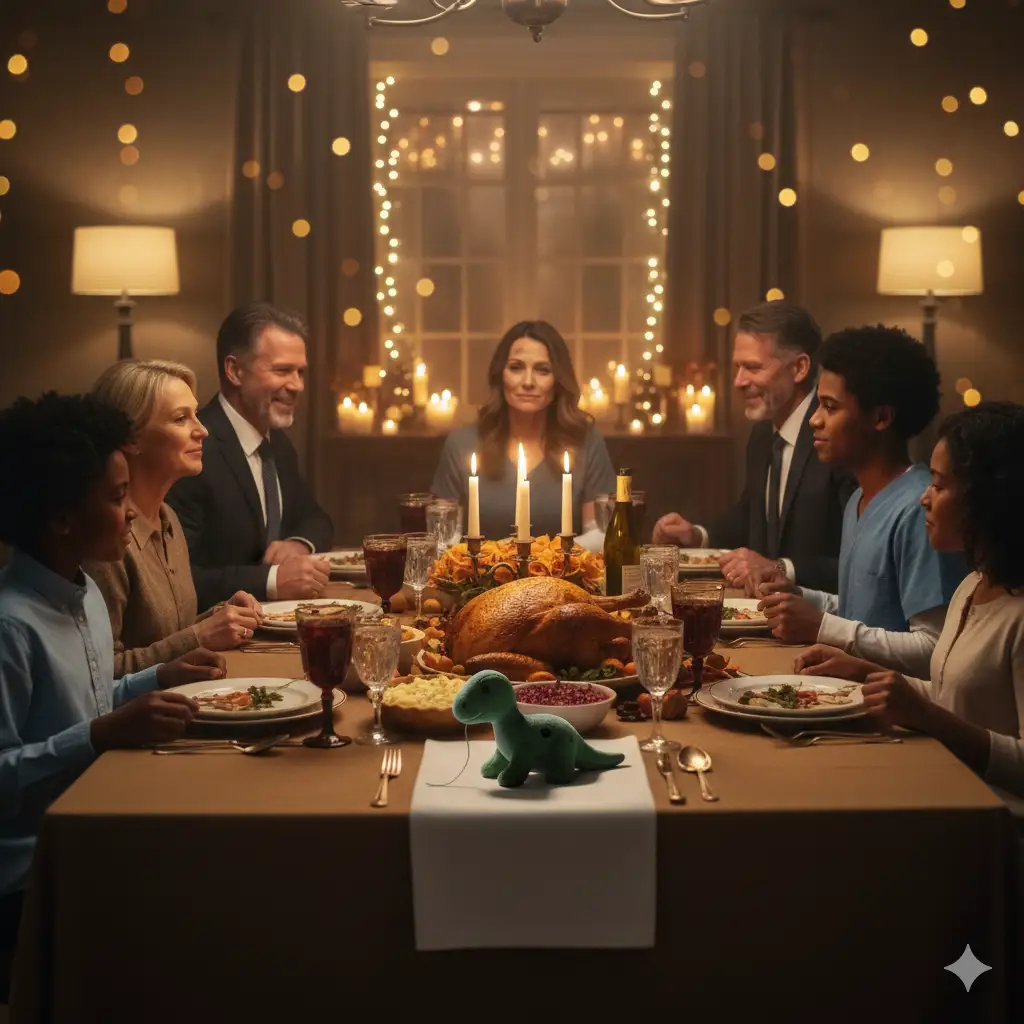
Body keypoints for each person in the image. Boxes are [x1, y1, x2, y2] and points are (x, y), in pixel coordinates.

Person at [0, 393, 225, 964]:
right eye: (118, 498)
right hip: (35, 872)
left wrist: (155, 677)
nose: (131, 513)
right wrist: (97, 736)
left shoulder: (84, 592)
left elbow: (88, 700)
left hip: (96, 823)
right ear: (62, 520)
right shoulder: (12, 627)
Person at [795, 402, 1024, 811]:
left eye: (939, 484)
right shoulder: (973, 584)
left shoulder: (1017, 614)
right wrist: (867, 671)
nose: (924, 498)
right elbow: (949, 693)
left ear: (988, 499)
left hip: (992, 829)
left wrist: (927, 718)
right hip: (941, 789)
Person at [757, 325, 968, 676]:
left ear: (881, 418)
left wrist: (822, 626)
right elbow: (868, 615)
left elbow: (934, 647)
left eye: (830, 407)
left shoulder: (919, 509)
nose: (814, 420)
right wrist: (801, 597)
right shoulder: (859, 498)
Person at [652, 302, 853, 592]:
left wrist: (780, 568)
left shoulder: (834, 436)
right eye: (737, 367)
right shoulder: (761, 435)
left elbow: (858, 561)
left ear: (799, 368)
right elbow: (749, 517)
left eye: (753, 367)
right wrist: (696, 536)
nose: (739, 381)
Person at [87, 360, 263, 676]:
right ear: (131, 438)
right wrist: (200, 636)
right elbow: (100, 676)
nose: (203, 430)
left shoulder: (168, 518)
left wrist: (221, 616)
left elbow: (165, 637)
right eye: (181, 419)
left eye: (195, 414)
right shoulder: (106, 539)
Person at [167, 303, 333, 610]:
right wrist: (271, 581)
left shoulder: (279, 445)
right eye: (283, 370)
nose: (297, 385)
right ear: (235, 371)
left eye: (300, 372)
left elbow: (316, 519)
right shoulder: (194, 448)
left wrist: (298, 544)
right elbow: (174, 579)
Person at [430, 320, 615, 541]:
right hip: (479, 574)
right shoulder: (462, 443)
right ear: (501, 375)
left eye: (542, 370)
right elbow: (443, 540)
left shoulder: (585, 441)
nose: (528, 382)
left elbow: (600, 536)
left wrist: (542, 558)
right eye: (516, 368)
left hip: (563, 574)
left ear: (558, 380)